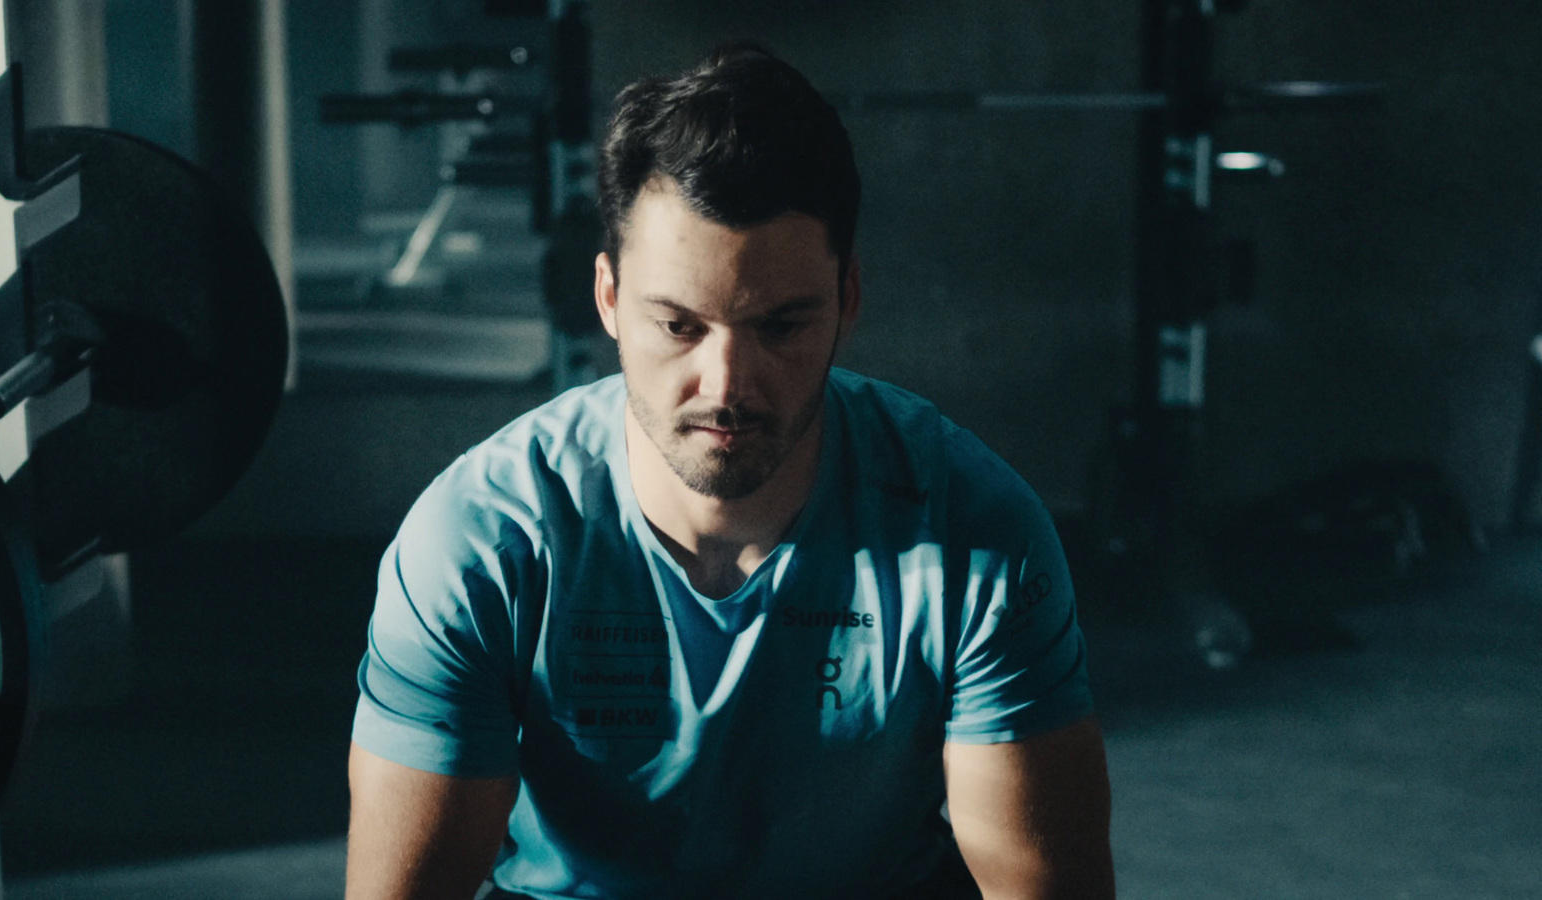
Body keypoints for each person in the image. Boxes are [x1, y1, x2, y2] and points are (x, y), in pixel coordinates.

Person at [346, 42, 1114, 900]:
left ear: (847, 302)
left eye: (781, 326)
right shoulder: (479, 545)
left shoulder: (974, 531)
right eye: (679, 326)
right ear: (606, 298)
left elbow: (1042, 887)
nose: (727, 386)